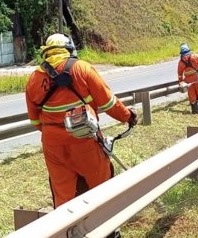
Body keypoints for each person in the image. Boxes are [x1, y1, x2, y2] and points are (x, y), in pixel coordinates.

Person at [25, 33, 138, 213]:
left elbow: (35, 121)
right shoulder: (82, 69)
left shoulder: (34, 79)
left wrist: (55, 132)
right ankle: (107, 229)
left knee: (63, 196)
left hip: (52, 145)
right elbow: (109, 103)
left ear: (46, 53)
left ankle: (65, 231)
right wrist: (128, 117)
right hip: (85, 140)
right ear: (69, 49)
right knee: (101, 189)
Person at [177, 43, 198, 115]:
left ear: (189, 53)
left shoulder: (195, 57)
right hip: (189, 83)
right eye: (184, 55)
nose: (185, 56)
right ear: (182, 55)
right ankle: (195, 113)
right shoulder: (181, 63)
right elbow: (180, 74)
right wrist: (181, 83)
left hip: (197, 80)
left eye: (187, 54)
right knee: (192, 98)